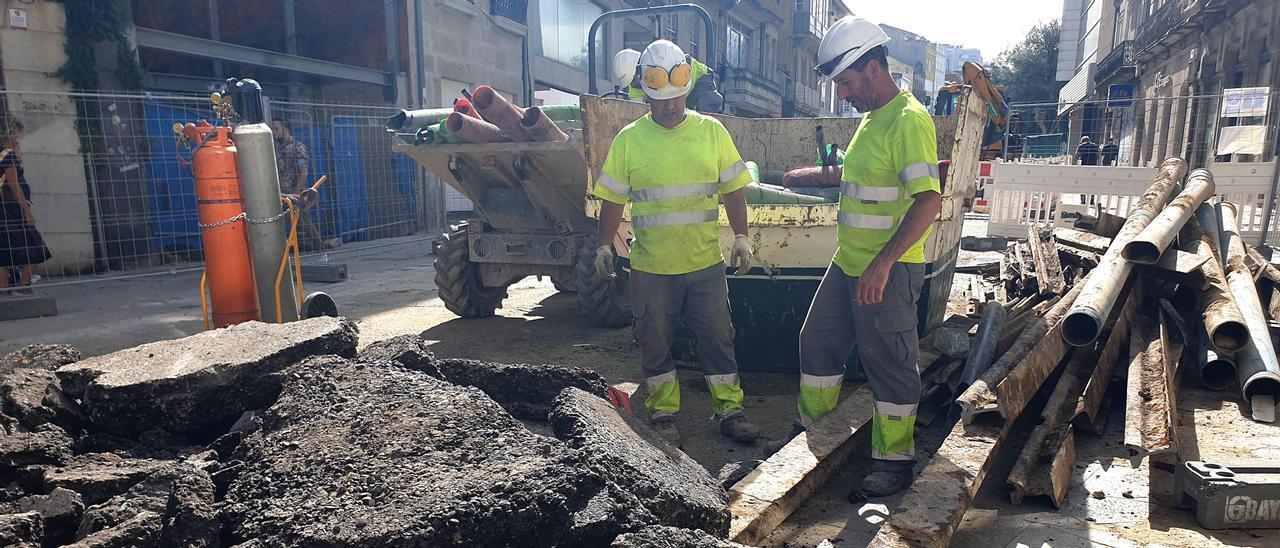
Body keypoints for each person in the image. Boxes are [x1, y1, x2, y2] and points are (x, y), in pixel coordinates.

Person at [764, 16, 942, 497]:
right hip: (849, 262)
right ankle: (816, 437)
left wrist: (883, 264)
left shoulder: (909, 119)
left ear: (872, 68)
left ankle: (894, 460)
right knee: (817, 342)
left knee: (889, 362)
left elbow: (929, 200)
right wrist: (813, 176)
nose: (843, 93)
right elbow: (859, 182)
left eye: (846, 81)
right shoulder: (871, 120)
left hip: (888, 269)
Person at [592, 40, 760, 447]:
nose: (669, 107)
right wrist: (603, 246)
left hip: (704, 264)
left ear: (686, 88)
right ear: (646, 95)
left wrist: (741, 236)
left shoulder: (711, 133)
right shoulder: (629, 140)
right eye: (659, 100)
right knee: (654, 341)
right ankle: (663, 414)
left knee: (719, 337)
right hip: (651, 268)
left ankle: (730, 411)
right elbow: (613, 199)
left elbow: (734, 190)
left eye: (675, 98)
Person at [0, 119, 50, 294]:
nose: (20, 140)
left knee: (4, 252)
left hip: (4, 210)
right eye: (18, 135)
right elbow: (14, 185)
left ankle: (5, 291)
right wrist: (27, 211)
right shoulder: (7, 155)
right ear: (10, 135)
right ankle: (23, 287)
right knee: (36, 248)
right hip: (13, 210)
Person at [272, 120, 337, 251]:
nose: (274, 132)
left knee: (300, 219)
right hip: (281, 191)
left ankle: (319, 246)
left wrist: (297, 191)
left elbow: (304, 172)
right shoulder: (277, 148)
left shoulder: (298, 147)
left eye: (276, 129)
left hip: (293, 190)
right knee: (296, 220)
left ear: (286, 129)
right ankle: (317, 246)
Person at [611, 47, 724, 113]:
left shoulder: (662, 63)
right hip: (682, 93)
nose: (634, 84)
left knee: (705, 111)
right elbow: (638, 112)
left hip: (699, 80)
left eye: (634, 79)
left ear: (639, 68)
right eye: (631, 82)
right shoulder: (635, 86)